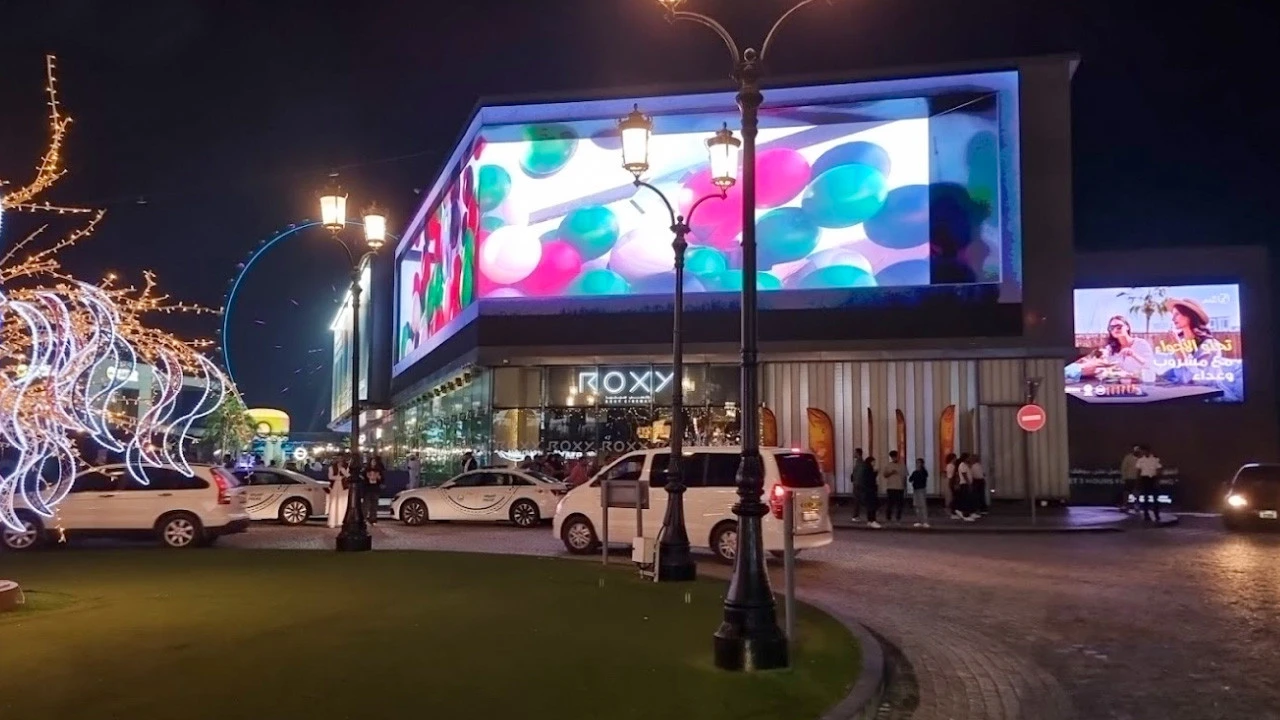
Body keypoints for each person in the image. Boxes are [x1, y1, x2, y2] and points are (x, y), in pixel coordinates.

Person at [1135, 445, 1163, 523]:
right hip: (1145, 479)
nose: (1144, 452)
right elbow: (1138, 471)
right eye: (1143, 451)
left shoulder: (1155, 459)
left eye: (1145, 451)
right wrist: (1138, 481)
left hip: (1153, 479)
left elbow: (1158, 469)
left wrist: (1157, 479)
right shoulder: (1140, 460)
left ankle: (1156, 514)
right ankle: (1146, 514)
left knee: (1155, 498)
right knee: (1146, 498)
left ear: (1148, 451)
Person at [881, 450, 907, 522]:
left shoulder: (902, 465)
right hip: (891, 487)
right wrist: (891, 473)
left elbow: (905, 476)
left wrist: (904, 487)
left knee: (899, 504)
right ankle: (888, 517)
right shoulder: (888, 465)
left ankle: (898, 517)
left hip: (899, 487)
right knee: (890, 504)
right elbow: (885, 475)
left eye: (895, 457)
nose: (894, 458)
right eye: (893, 457)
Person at [326, 456, 351, 529]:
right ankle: (332, 522)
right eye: (338, 459)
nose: (340, 460)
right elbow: (330, 477)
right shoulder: (331, 467)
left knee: (343, 504)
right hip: (335, 487)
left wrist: (343, 471)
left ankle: (341, 521)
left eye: (341, 458)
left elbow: (348, 476)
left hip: (344, 488)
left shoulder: (346, 467)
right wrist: (339, 478)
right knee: (334, 504)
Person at [909, 458, 930, 528]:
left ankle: (925, 521)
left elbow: (923, 479)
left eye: (919, 463)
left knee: (923, 505)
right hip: (916, 490)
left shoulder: (924, 472)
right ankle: (919, 520)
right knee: (917, 505)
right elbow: (910, 479)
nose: (918, 464)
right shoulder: (915, 472)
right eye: (917, 463)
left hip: (921, 489)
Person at [1119, 445, 1141, 512]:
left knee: (1136, 492)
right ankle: (1125, 505)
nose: (1136, 451)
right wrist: (1124, 477)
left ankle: (1136, 505)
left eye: (1138, 450)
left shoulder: (1141, 458)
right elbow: (1123, 468)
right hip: (1128, 478)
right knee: (1126, 492)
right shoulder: (1128, 457)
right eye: (1135, 449)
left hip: (1137, 478)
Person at [365, 454, 385, 524]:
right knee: (366, 504)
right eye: (372, 461)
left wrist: (379, 479)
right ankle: (364, 518)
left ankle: (373, 519)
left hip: (375, 488)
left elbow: (382, 479)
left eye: (375, 461)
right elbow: (363, 478)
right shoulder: (366, 469)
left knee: (374, 504)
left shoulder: (379, 470)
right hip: (368, 488)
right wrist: (367, 478)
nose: (373, 463)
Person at [861, 456, 880, 528]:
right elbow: (870, 480)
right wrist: (875, 473)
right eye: (873, 462)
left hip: (867, 490)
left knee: (869, 506)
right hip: (871, 490)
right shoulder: (869, 469)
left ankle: (869, 520)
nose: (874, 463)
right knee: (872, 506)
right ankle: (873, 520)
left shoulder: (865, 469)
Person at [848, 448, 865, 522]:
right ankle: (856, 516)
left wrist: (856, 481)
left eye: (855, 453)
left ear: (858, 453)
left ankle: (855, 516)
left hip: (858, 484)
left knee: (857, 500)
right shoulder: (859, 462)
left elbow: (859, 474)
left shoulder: (860, 463)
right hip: (858, 483)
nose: (854, 454)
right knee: (858, 500)